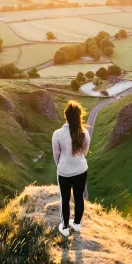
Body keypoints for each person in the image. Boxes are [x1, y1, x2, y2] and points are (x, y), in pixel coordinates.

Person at [52, 100, 91, 237]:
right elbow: (85, 152)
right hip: (81, 169)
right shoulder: (84, 133)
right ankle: (77, 224)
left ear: (66, 116)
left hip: (64, 172)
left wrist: (62, 166)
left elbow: (56, 155)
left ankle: (64, 228)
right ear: (79, 116)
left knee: (65, 198)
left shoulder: (57, 134)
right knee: (79, 197)